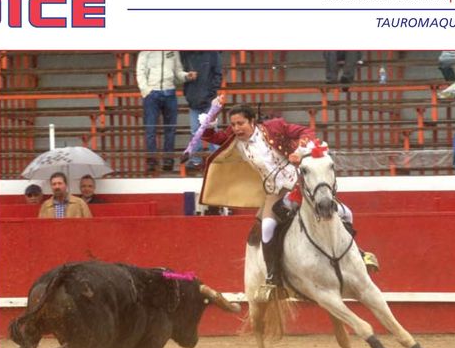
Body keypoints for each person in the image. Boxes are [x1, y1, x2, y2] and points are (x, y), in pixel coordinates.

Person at [199, 103, 376, 291]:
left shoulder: (274, 127)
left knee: (346, 213)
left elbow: (305, 131)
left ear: (252, 121)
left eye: (240, 123)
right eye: (233, 125)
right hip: (274, 191)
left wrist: (299, 150)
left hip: (298, 183)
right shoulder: (235, 139)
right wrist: (209, 122)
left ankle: (358, 255)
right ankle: (273, 275)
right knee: (267, 227)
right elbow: (213, 137)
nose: (236, 128)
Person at [136, 51, 191, 173]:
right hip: (152, 93)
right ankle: (151, 160)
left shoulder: (173, 51)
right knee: (150, 129)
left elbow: (177, 72)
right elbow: (140, 72)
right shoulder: (145, 51)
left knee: (170, 129)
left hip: (169, 92)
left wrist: (186, 76)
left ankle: (168, 160)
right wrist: (146, 90)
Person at [179, 51, 223, 169]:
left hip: (207, 99)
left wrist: (211, 93)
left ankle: (215, 159)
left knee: (209, 130)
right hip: (194, 99)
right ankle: (197, 160)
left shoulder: (213, 54)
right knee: (196, 131)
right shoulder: (186, 55)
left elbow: (218, 75)